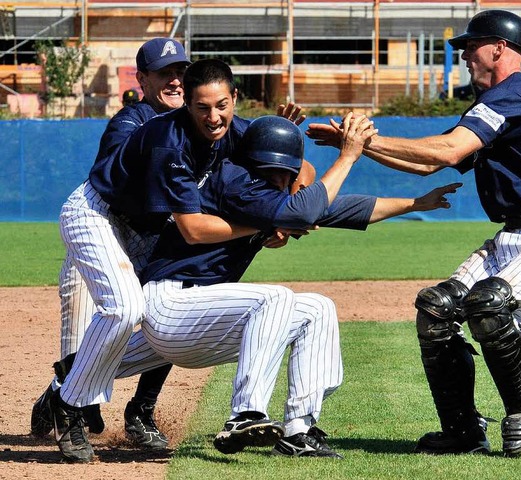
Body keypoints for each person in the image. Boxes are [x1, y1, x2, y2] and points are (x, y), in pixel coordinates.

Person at [100, 57, 460, 459]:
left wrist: (416, 202)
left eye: (283, 172)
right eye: (267, 169)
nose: (274, 179)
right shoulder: (237, 185)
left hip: (199, 313)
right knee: (274, 298)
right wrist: (348, 155)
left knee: (316, 308)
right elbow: (306, 209)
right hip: (170, 303)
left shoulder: (273, 195)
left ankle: (299, 430)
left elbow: (341, 207)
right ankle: (245, 413)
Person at [307, 9, 521, 457]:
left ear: (499, 48)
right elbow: (427, 161)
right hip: (515, 238)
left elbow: (447, 151)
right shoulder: (498, 101)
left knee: (488, 305)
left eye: (470, 46)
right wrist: (357, 148)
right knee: (437, 309)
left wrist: (362, 141)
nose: (464, 56)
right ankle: (462, 430)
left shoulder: (514, 94)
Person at [31, 39, 308, 463]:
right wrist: (272, 216)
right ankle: (69, 401)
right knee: (123, 309)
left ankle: (111, 400)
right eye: (164, 73)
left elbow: (295, 167)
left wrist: (284, 179)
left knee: (176, 300)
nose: (175, 80)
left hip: (151, 229)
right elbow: (154, 203)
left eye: (182, 70)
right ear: (143, 80)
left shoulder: (212, 119)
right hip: (102, 216)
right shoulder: (146, 126)